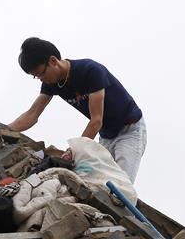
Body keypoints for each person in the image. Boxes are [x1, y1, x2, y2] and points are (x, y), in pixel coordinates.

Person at [8, 37, 147, 182]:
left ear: (53, 61)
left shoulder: (90, 70)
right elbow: (32, 114)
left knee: (121, 184)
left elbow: (96, 120)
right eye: (36, 77)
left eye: (41, 73)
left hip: (129, 130)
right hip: (106, 136)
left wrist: (75, 150)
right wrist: (3, 130)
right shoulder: (52, 83)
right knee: (98, 181)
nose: (41, 79)